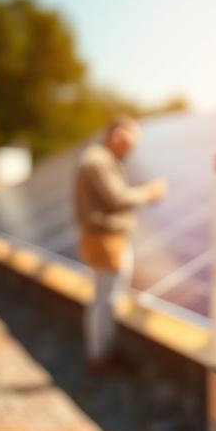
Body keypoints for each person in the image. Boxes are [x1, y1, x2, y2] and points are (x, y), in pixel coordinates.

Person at [72, 116, 167, 370]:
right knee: (106, 300)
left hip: (105, 239)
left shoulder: (99, 158)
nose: (132, 148)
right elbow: (117, 198)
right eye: (130, 141)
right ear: (116, 136)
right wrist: (150, 192)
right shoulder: (97, 160)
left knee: (105, 298)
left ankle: (102, 352)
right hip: (104, 240)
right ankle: (101, 356)